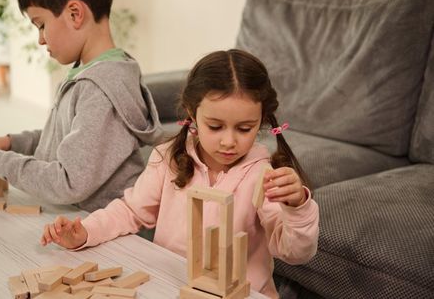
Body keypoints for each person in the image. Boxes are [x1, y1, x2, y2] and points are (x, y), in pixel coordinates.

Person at [40, 49, 319, 298]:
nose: (229, 142)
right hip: (172, 287)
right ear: (192, 113)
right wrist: (86, 232)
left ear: (261, 121)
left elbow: (295, 253)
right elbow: (131, 211)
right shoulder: (167, 158)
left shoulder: (264, 175)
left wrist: (297, 207)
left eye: (244, 129)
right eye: (215, 126)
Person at [0, 0, 162, 212]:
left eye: (41, 25)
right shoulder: (92, 73)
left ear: (75, 14)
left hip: (108, 234)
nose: (40, 39)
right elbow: (69, 139)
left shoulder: (100, 90)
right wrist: (14, 143)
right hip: (84, 222)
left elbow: (67, 182)